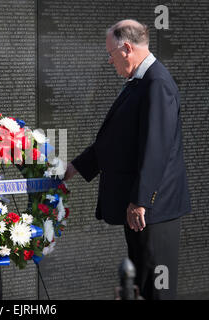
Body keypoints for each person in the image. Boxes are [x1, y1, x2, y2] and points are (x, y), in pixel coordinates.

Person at [64, 20, 191, 299]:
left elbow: (155, 148)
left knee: (157, 288)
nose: (110, 61)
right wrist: (75, 167)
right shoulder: (139, 82)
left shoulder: (156, 84)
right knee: (141, 285)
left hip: (154, 211)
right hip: (141, 210)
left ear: (126, 48)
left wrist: (141, 200)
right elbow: (115, 141)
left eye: (110, 53)